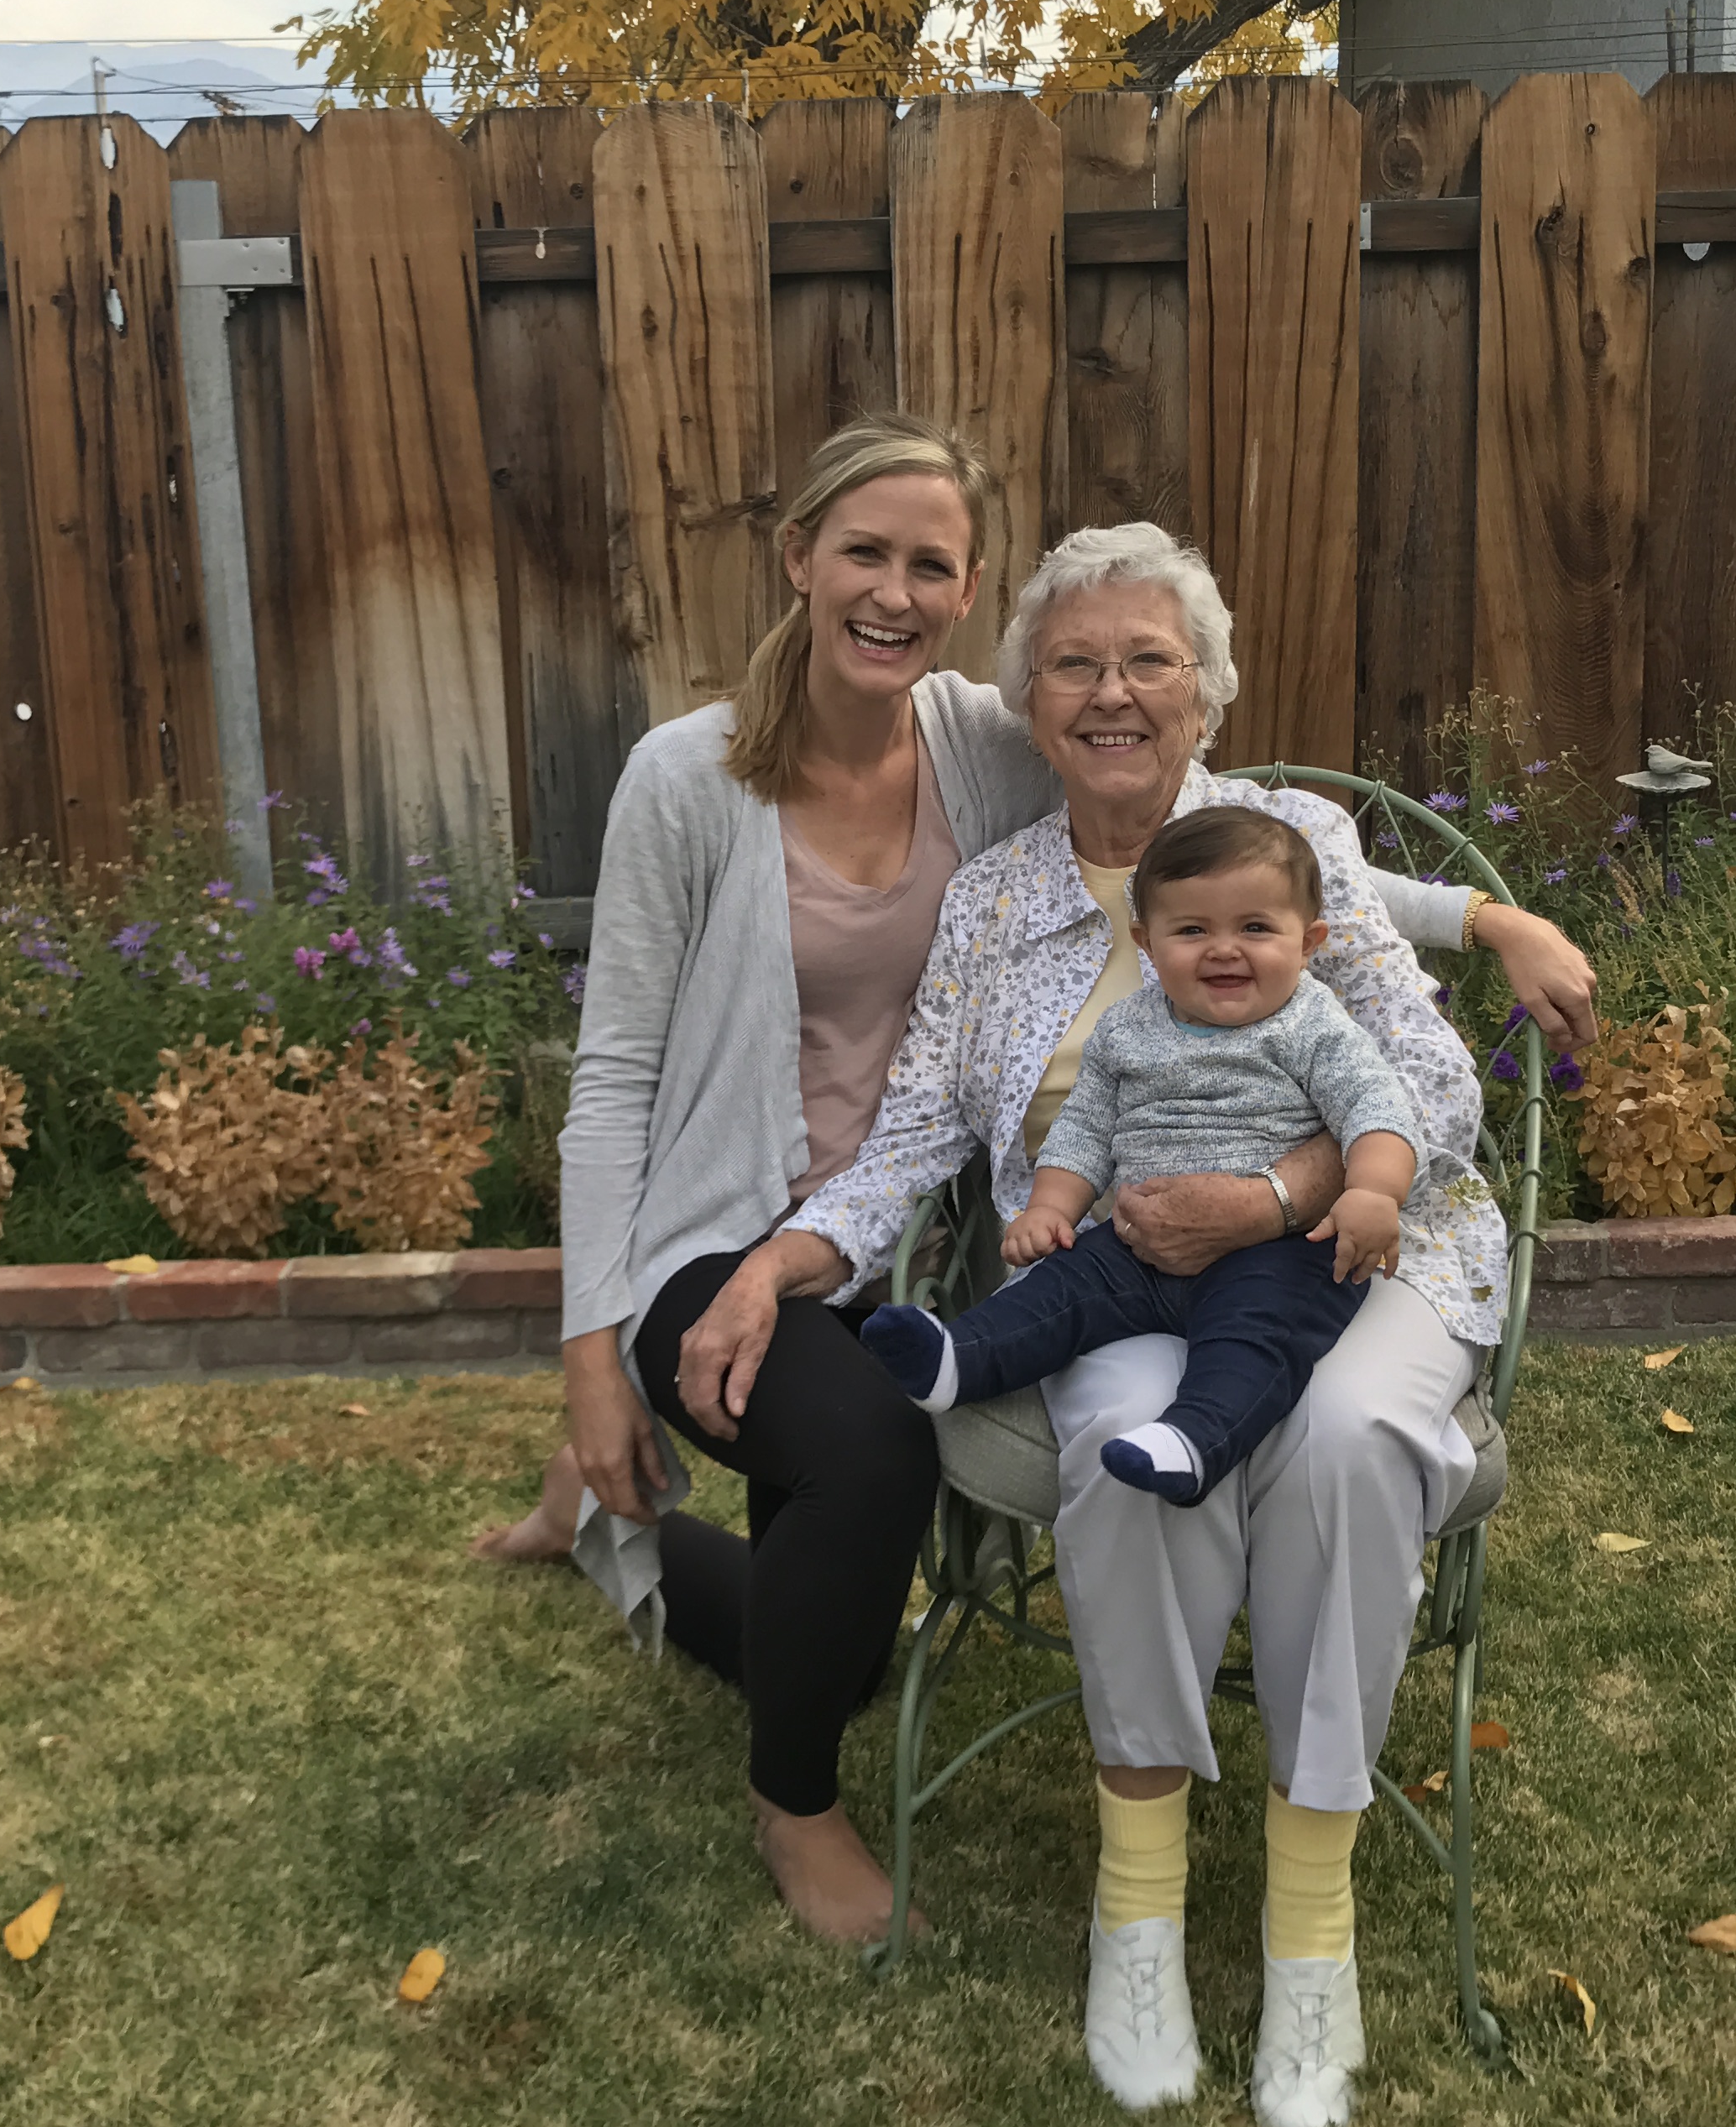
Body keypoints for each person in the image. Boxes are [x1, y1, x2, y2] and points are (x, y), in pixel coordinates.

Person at [479, 430, 1592, 1949]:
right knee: (871, 1470)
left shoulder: (1001, 741)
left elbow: (1263, 856)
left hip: (1055, 1234)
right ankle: (799, 1802)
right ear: (797, 556)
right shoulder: (719, 779)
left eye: (928, 563)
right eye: (863, 552)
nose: (894, 591)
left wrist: (1484, 916)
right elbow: (627, 1078)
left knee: (852, 1609)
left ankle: (623, 1534)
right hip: (766, 1216)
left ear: (966, 591)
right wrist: (603, 1349)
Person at [688, 521, 1550, 2127]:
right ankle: (1138, 1914)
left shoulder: (1299, 838)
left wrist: (1276, 1192)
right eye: (1074, 664)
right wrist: (777, 1261)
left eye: (1148, 659)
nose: (1110, 693)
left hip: (1358, 1251)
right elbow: (914, 1131)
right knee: (1126, 1446)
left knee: (1351, 1436)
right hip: (1118, 1267)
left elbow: (1430, 1087)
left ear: (1203, 691)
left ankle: (1310, 1935)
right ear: (1029, 701)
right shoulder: (995, 896)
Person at [860, 804, 1422, 1509]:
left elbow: (1377, 1112)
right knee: (1060, 1289)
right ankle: (958, 1359)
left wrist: (1373, 1192)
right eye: (1192, 930)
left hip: (1280, 1253)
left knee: (1257, 1335)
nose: (1223, 950)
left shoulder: (1314, 1025)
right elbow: (1084, 1128)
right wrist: (1050, 1207)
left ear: (1308, 942)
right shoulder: (1126, 1027)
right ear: (1146, 943)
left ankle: (1196, 1438)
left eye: (1255, 928)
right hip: (1138, 1242)